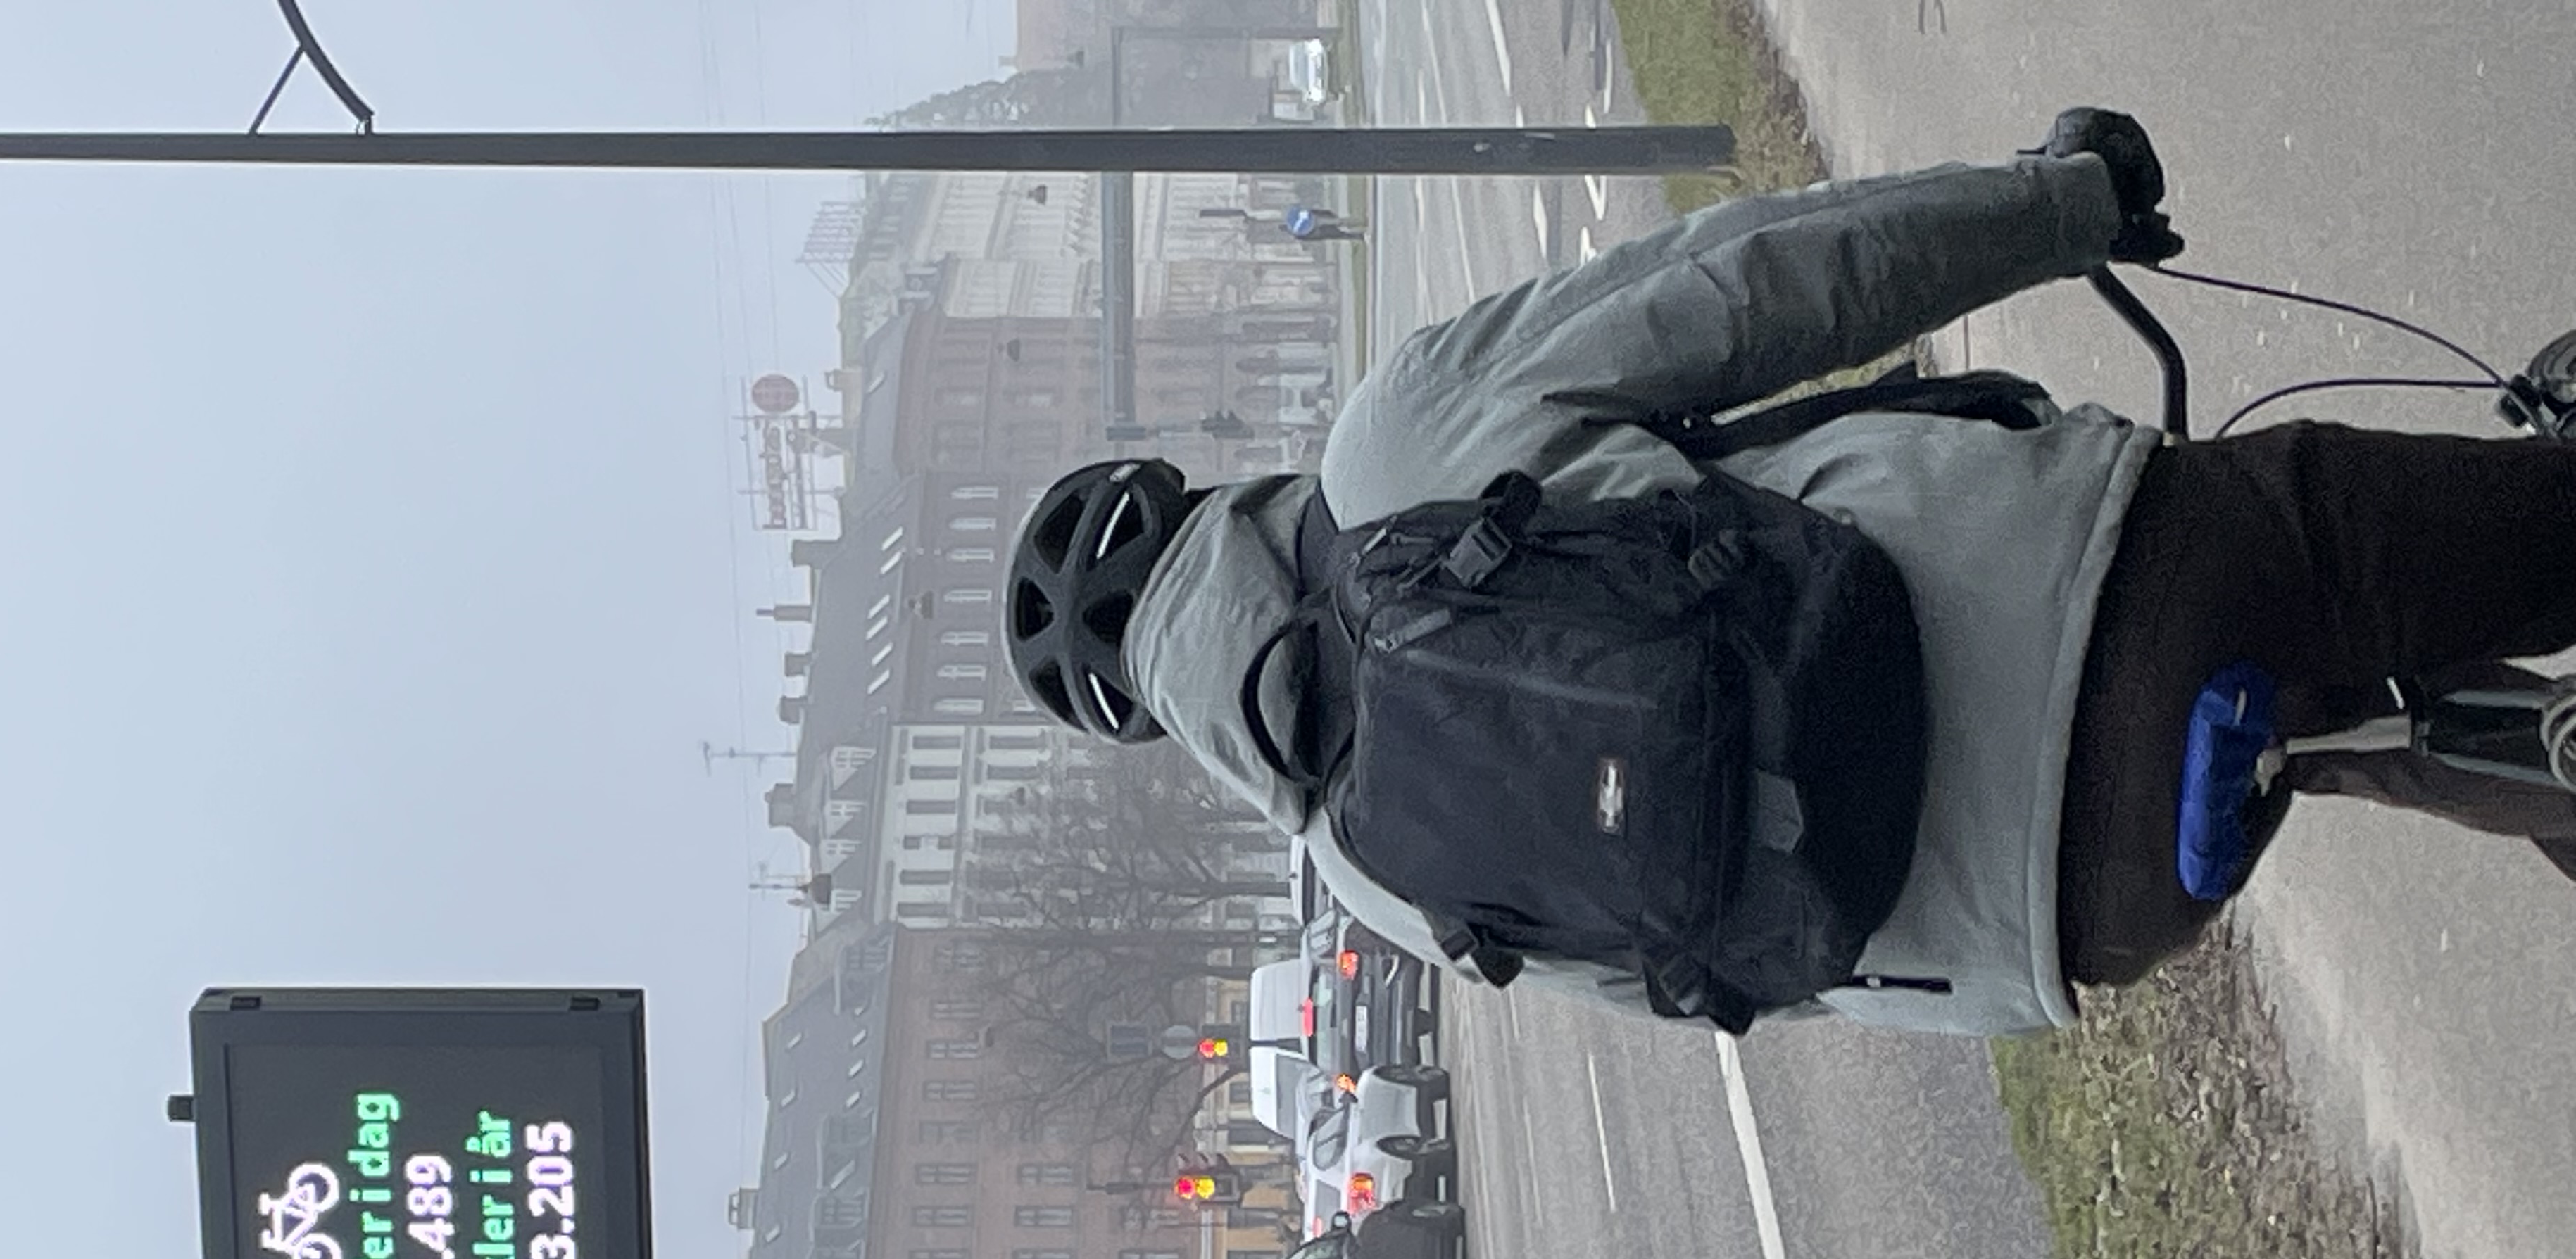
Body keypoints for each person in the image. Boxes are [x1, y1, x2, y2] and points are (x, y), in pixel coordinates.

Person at [1002, 110, 2576, 1038]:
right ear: (1209, 499)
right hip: (2110, 586)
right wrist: (2063, 204)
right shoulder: (1393, 440)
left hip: (2072, 912)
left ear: (1170, 725)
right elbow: (1760, 287)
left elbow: (1682, 970)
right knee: (2389, 551)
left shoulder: (1368, 874)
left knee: (2332, 723)